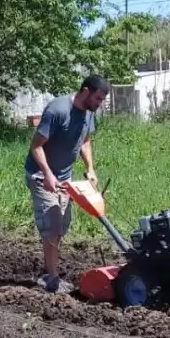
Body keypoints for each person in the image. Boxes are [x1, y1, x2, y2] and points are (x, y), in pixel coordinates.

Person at [24, 74, 109, 293]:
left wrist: (90, 168)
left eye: (102, 101)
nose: (99, 104)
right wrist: (48, 175)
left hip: (65, 177)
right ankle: (52, 280)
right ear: (86, 91)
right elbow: (35, 147)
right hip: (41, 176)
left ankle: (49, 271)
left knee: (61, 225)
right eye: (98, 99)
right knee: (52, 226)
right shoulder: (58, 110)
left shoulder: (89, 114)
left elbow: (85, 140)